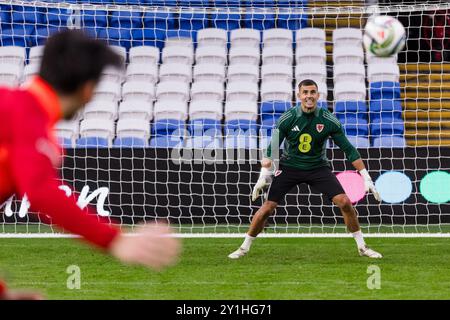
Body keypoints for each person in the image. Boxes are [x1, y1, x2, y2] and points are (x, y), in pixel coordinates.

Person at [0, 30, 180, 300]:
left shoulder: (12, 106)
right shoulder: (27, 117)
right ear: (88, 89)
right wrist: (113, 239)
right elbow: (39, 190)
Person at [228, 79, 382, 260]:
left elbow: (348, 149)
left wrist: (366, 177)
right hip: (290, 167)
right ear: (299, 95)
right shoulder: (287, 118)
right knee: (268, 208)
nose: (309, 96)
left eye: (312, 92)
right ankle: (244, 247)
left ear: (318, 95)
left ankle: (362, 246)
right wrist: (263, 176)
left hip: (318, 168)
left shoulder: (328, 119)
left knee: (345, 202)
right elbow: (272, 149)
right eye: (305, 92)